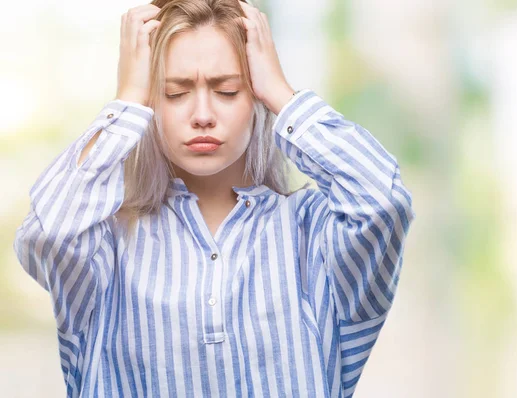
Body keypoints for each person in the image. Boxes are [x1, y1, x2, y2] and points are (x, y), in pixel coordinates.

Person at [13, 0, 416, 396]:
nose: (202, 114)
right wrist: (128, 99)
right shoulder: (106, 244)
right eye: (174, 93)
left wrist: (282, 94)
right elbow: (46, 235)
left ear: (255, 97)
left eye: (226, 90)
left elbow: (383, 200)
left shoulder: (312, 235)